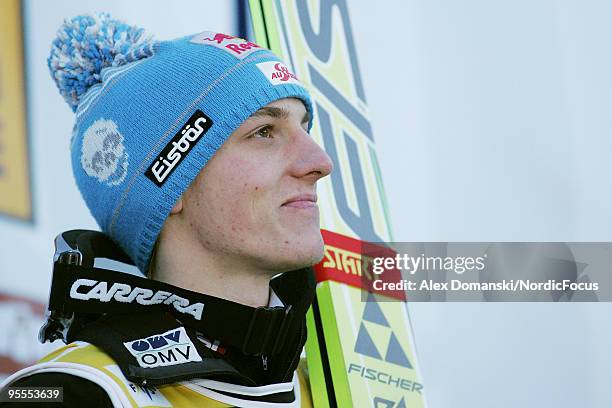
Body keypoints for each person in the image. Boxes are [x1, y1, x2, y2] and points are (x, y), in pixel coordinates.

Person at [0, 13, 332, 407]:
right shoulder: (65, 393)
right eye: (263, 132)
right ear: (169, 184)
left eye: (304, 127)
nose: (319, 162)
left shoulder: (335, 387)